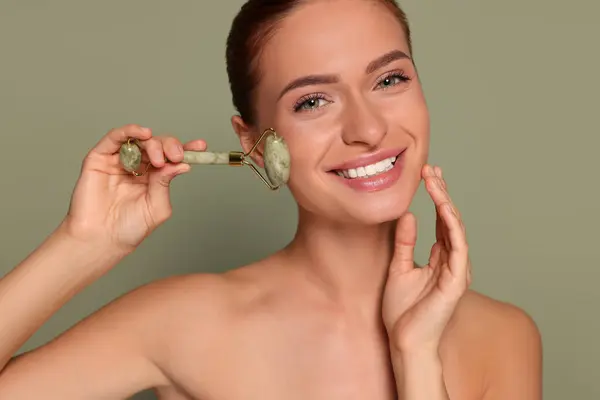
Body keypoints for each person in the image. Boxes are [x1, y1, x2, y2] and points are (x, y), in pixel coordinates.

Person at [0, 0, 542, 399]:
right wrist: (85, 243)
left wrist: (416, 357)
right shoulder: (182, 320)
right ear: (254, 145)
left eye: (389, 79)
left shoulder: (503, 337)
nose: (368, 129)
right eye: (312, 100)